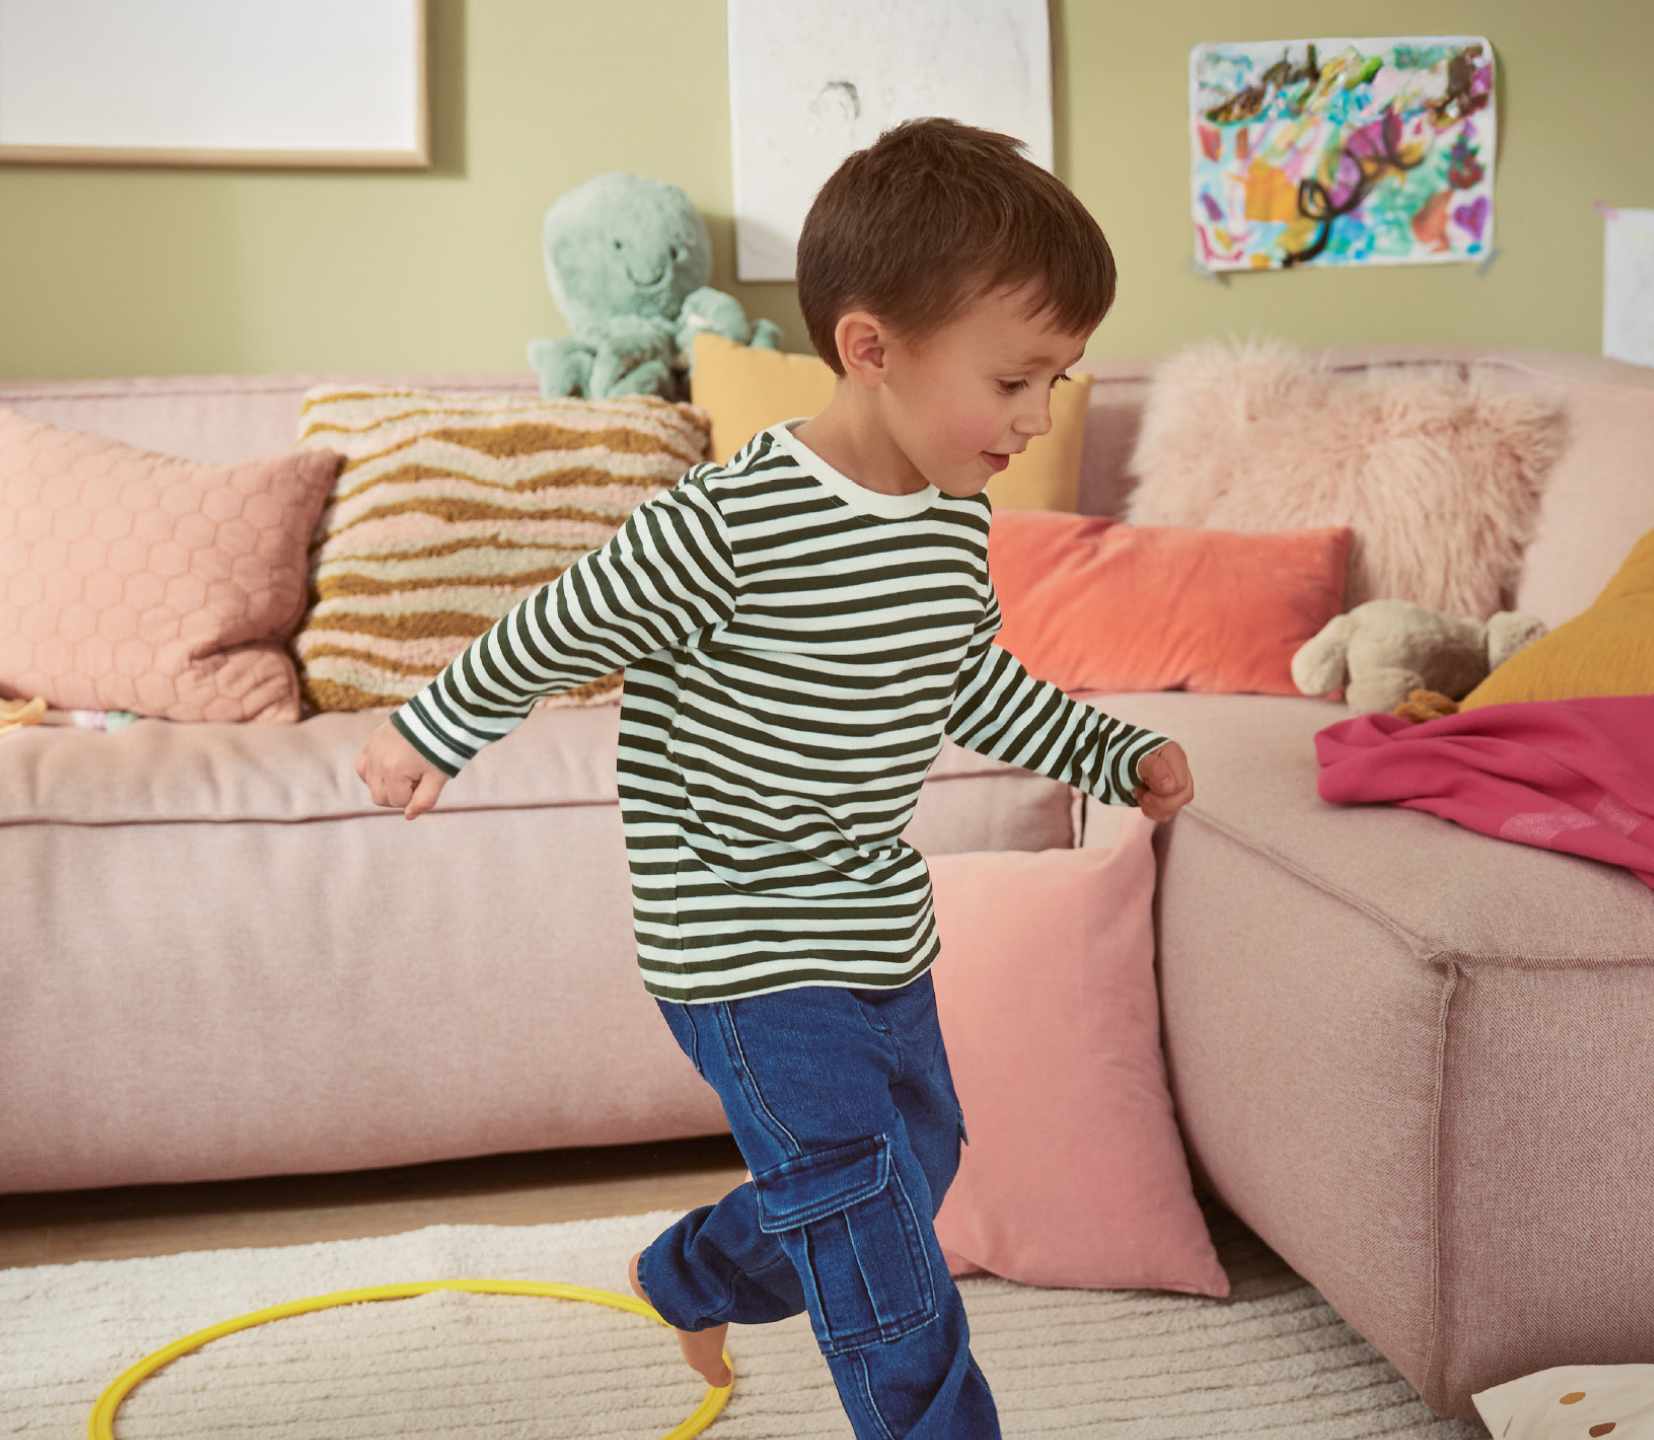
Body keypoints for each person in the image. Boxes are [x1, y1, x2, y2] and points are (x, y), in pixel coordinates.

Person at [354, 117, 1194, 1439]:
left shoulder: (948, 517)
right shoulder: (726, 524)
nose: (1041, 419)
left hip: (877, 925)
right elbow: (559, 625)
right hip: (742, 942)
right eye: (1019, 380)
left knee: (915, 1168)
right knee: (878, 1252)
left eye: (1060, 379)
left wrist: (1108, 748)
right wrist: (430, 731)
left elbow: (962, 679)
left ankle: (691, 1270)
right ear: (872, 350)